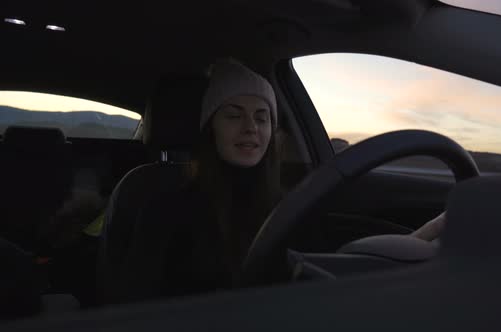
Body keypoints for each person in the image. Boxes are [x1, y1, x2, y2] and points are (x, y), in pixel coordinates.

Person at [113, 58, 445, 304]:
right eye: (233, 115)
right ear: (209, 129)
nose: (250, 128)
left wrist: (414, 242)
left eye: (262, 118)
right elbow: (134, 307)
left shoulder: (290, 206)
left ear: (273, 132)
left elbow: (329, 266)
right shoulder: (163, 211)